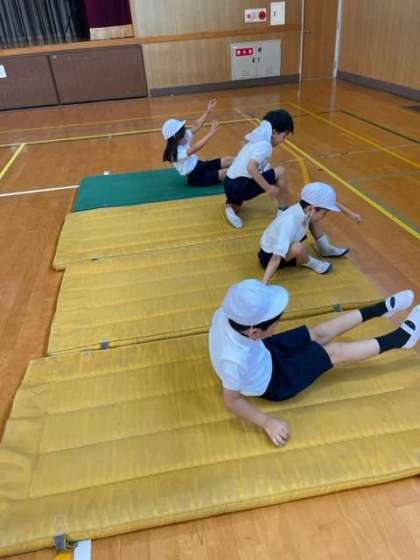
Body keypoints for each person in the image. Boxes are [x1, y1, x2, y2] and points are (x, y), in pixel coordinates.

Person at [208, 278, 419, 446]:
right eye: (275, 323)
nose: (278, 324)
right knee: (334, 351)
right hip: (276, 381)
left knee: (319, 332)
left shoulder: (228, 315)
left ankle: (382, 308)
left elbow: (252, 335)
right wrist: (267, 422)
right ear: (254, 331)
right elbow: (231, 401)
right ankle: (401, 339)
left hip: (264, 350)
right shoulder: (235, 359)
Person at [259, 181, 362, 279]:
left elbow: (332, 202)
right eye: (324, 213)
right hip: (270, 257)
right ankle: (311, 263)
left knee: (313, 220)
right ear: (311, 208)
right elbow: (276, 257)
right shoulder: (290, 223)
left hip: (284, 245)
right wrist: (263, 284)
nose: (325, 216)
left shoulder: (305, 209)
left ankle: (325, 249)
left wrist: (351, 214)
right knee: (298, 248)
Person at [223, 109, 294, 229]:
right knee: (280, 171)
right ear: (274, 132)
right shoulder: (265, 145)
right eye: (284, 136)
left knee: (266, 172)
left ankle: (231, 207)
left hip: (229, 185)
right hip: (239, 186)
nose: (284, 140)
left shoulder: (254, 140)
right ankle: (283, 210)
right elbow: (251, 168)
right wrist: (268, 187)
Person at [162, 98, 234, 186]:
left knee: (229, 159)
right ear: (177, 137)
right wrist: (210, 133)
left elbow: (195, 126)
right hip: (197, 177)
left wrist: (208, 111)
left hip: (202, 165)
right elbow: (195, 148)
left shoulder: (182, 140)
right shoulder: (174, 154)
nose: (186, 133)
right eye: (183, 132)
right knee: (226, 172)